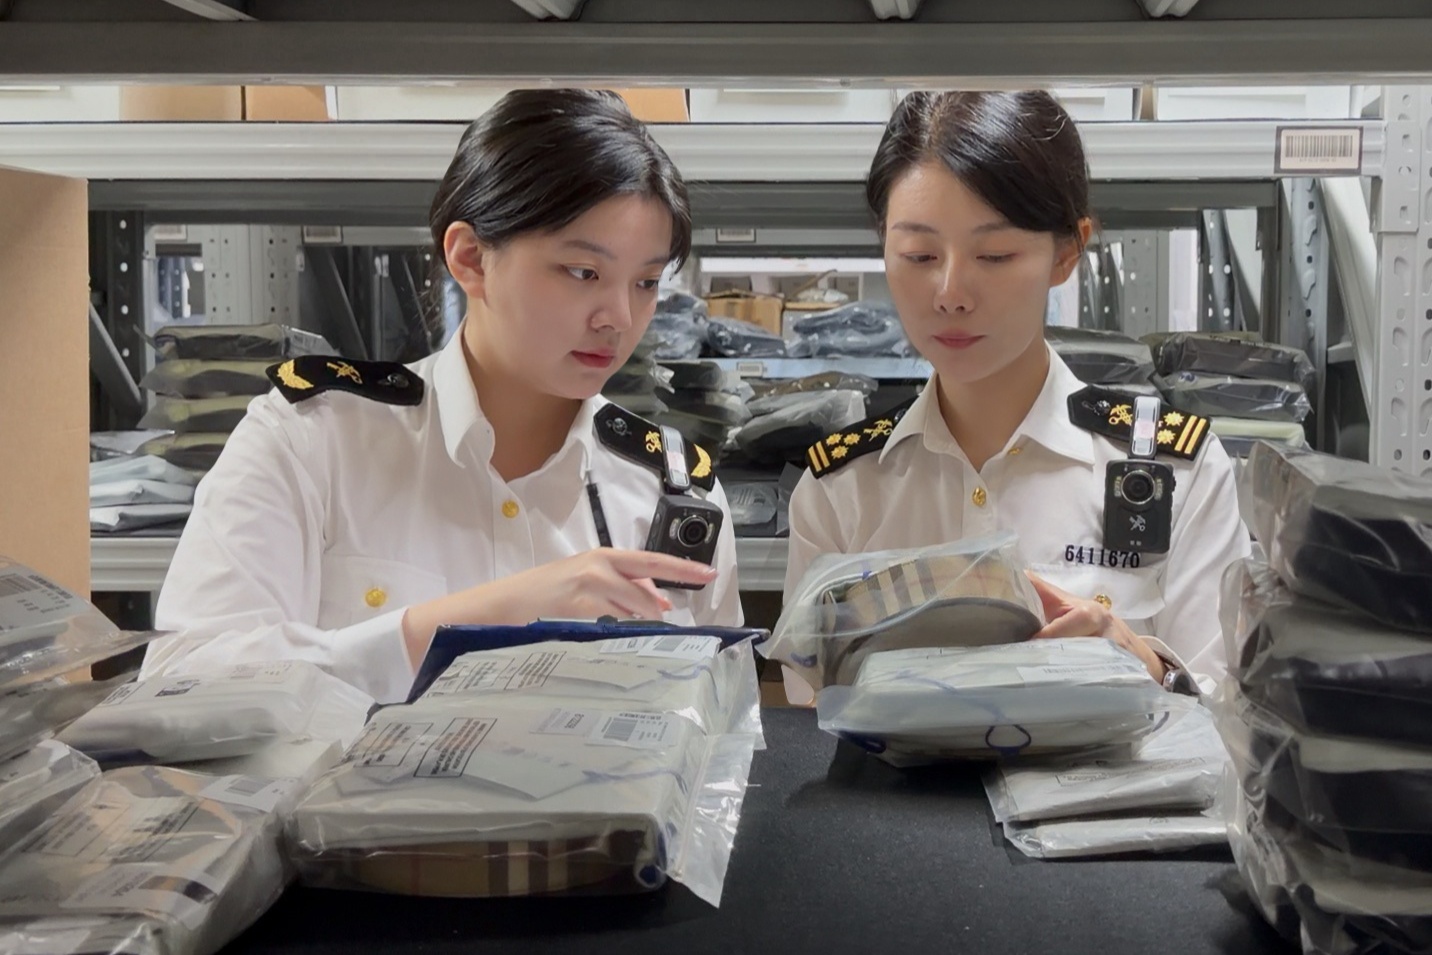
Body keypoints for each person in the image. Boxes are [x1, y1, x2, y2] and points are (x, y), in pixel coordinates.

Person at [141, 89, 743, 705]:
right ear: (471, 258)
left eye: (646, 282)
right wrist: (467, 625)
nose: (619, 317)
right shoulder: (314, 439)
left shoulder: (674, 494)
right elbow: (179, 690)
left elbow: (721, 726)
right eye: (583, 272)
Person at [784, 90, 1251, 703]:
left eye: (995, 255)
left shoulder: (1179, 473)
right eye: (919, 255)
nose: (951, 293)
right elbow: (812, 720)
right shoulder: (841, 490)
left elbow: (1229, 719)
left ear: (1067, 252)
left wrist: (1144, 663)